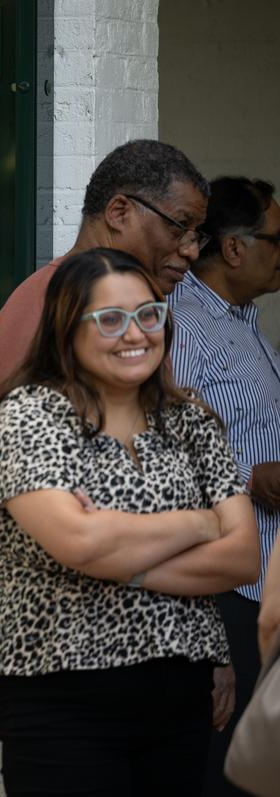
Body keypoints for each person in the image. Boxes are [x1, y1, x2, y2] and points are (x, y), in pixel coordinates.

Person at [0, 247, 259, 795]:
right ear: (66, 328)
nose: (136, 334)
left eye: (149, 315)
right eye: (110, 319)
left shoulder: (190, 420)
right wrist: (200, 524)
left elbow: (243, 557)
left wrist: (119, 557)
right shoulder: (31, 417)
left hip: (179, 693)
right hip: (60, 693)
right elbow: (78, 540)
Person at [0, 140, 211, 615]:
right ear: (120, 211)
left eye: (197, 234)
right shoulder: (49, 303)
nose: (189, 250)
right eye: (180, 226)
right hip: (59, 619)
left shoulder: (127, 308)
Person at [168, 176, 280, 796]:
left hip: (261, 583)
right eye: (276, 239)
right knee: (219, 774)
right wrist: (250, 480)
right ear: (234, 248)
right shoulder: (183, 325)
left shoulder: (246, 324)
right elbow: (164, 448)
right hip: (223, 591)